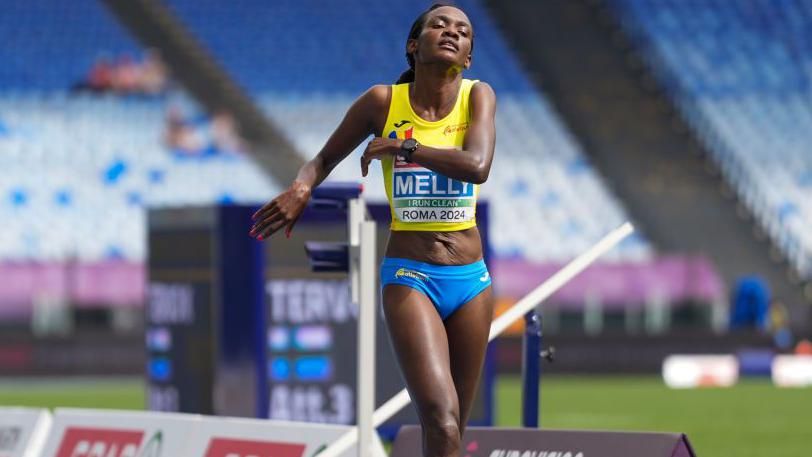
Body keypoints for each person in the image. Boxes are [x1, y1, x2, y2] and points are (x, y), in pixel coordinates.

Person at [250, 4, 496, 456]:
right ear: (412, 45)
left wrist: (405, 147)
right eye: (439, 25)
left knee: (453, 426)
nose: (452, 32)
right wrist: (302, 187)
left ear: (468, 57)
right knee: (440, 420)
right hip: (411, 275)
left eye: (463, 31)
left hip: (472, 280)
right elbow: (322, 160)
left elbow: (477, 167)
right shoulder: (383, 103)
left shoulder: (478, 96)